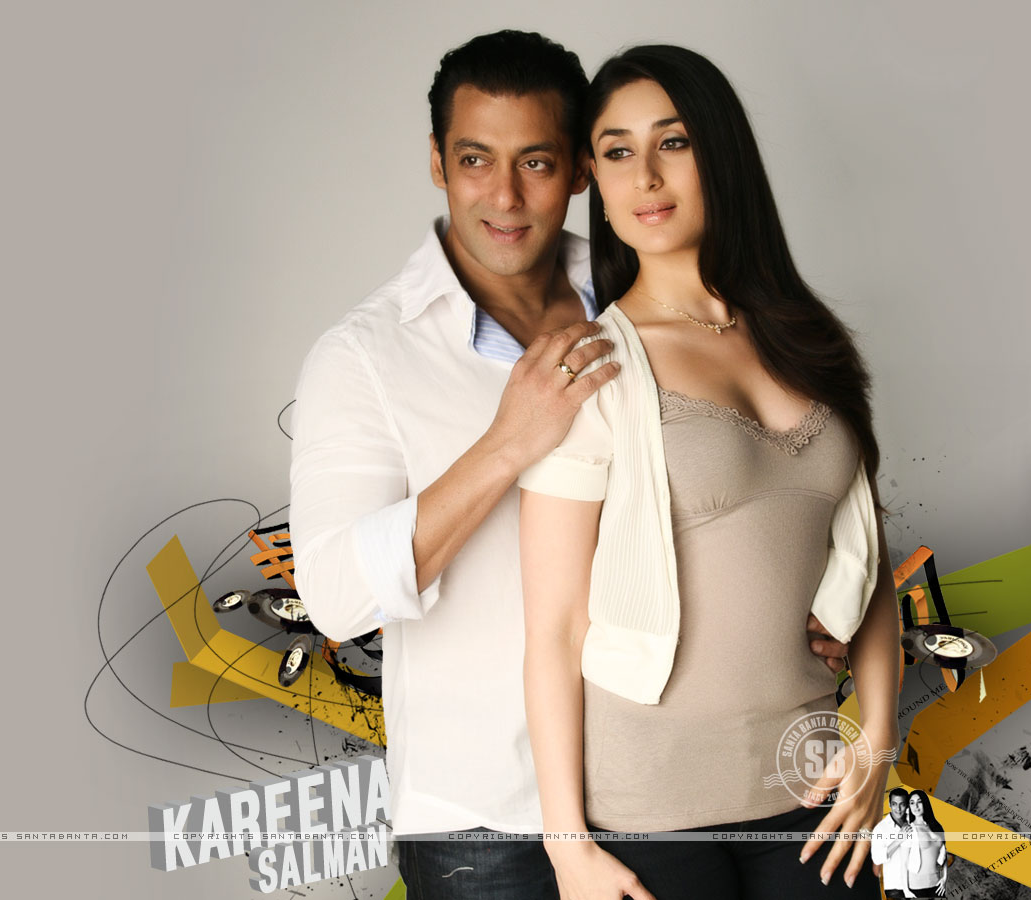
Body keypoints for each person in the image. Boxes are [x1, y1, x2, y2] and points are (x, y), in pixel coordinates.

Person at [290, 31, 856, 899]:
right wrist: (507, 443)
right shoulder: (367, 355)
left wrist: (809, 610)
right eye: (475, 160)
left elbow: (749, 489)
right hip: (493, 817)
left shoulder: (644, 285)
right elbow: (335, 597)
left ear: (581, 172)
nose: (505, 195)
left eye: (537, 163)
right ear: (438, 163)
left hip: (674, 786)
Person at [517, 44, 902, 900]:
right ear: (594, 181)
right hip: (648, 810)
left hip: (812, 787)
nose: (646, 176)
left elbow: (867, 562)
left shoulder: (810, 341)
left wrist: (877, 741)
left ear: (721, 153)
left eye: (674, 142)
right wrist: (567, 847)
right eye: (617, 151)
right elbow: (554, 629)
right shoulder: (589, 367)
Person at [871, 789, 918, 899]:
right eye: (894, 804)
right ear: (889, 805)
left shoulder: (915, 821)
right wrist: (899, 839)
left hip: (920, 884)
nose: (898, 809)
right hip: (896, 888)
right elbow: (877, 858)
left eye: (902, 804)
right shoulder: (880, 828)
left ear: (907, 805)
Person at [905, 790, 949, 897]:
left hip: (937, 884)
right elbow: (903, 861)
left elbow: (944, 854)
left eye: (919, 802)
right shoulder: (909, 829)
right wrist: (905, 889)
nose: (916, 806)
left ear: (925, 803)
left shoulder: (936, 826)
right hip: (917, 886)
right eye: (912, 803)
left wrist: (944, 878)